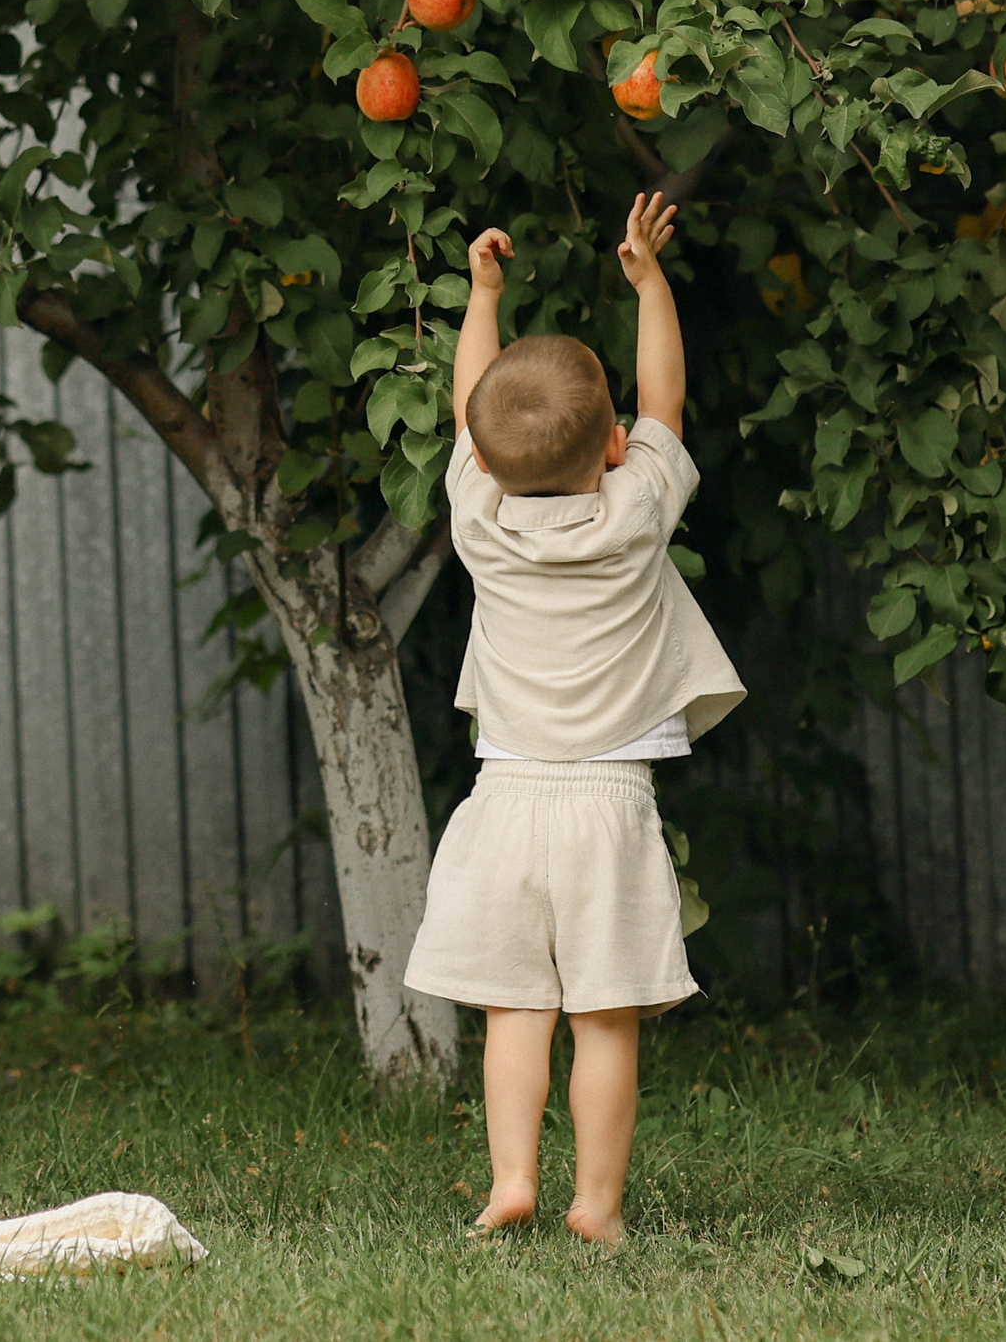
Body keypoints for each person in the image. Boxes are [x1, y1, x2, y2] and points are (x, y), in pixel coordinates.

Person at [403, 193, 746, 1246]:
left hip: (502, 803)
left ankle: (512, 1181)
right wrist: (650, 283)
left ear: (486, 457)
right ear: (610, 447)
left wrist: (481, 295)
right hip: (606, 804)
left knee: (517, 1010)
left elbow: (471, 404)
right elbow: (667, 406)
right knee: (604, 1018)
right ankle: (593, 1204)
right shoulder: (635, 514)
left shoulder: (479, 518)